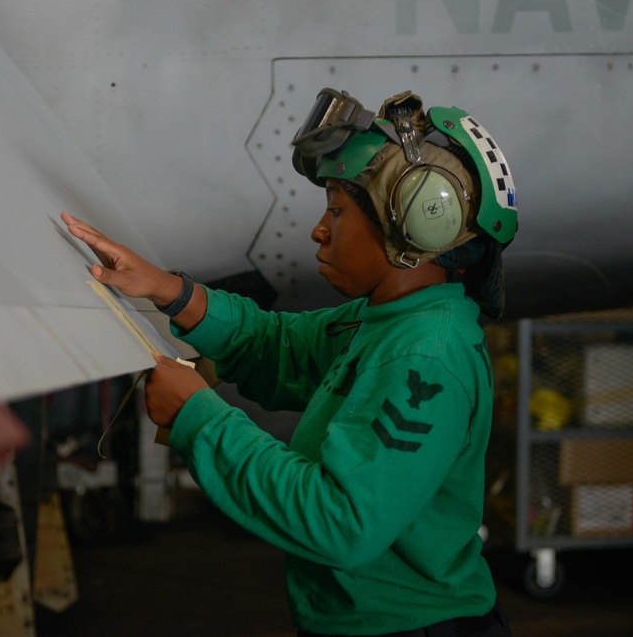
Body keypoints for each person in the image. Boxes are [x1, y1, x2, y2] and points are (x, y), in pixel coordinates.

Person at [62, 87, 518, 637]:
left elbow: (342, 523)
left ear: (416, 228)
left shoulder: (426, 355)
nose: (319, 230)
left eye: (338, 211)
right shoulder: (391, 320)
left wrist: (197, 418)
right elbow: (276, 346)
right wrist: (165, 289)